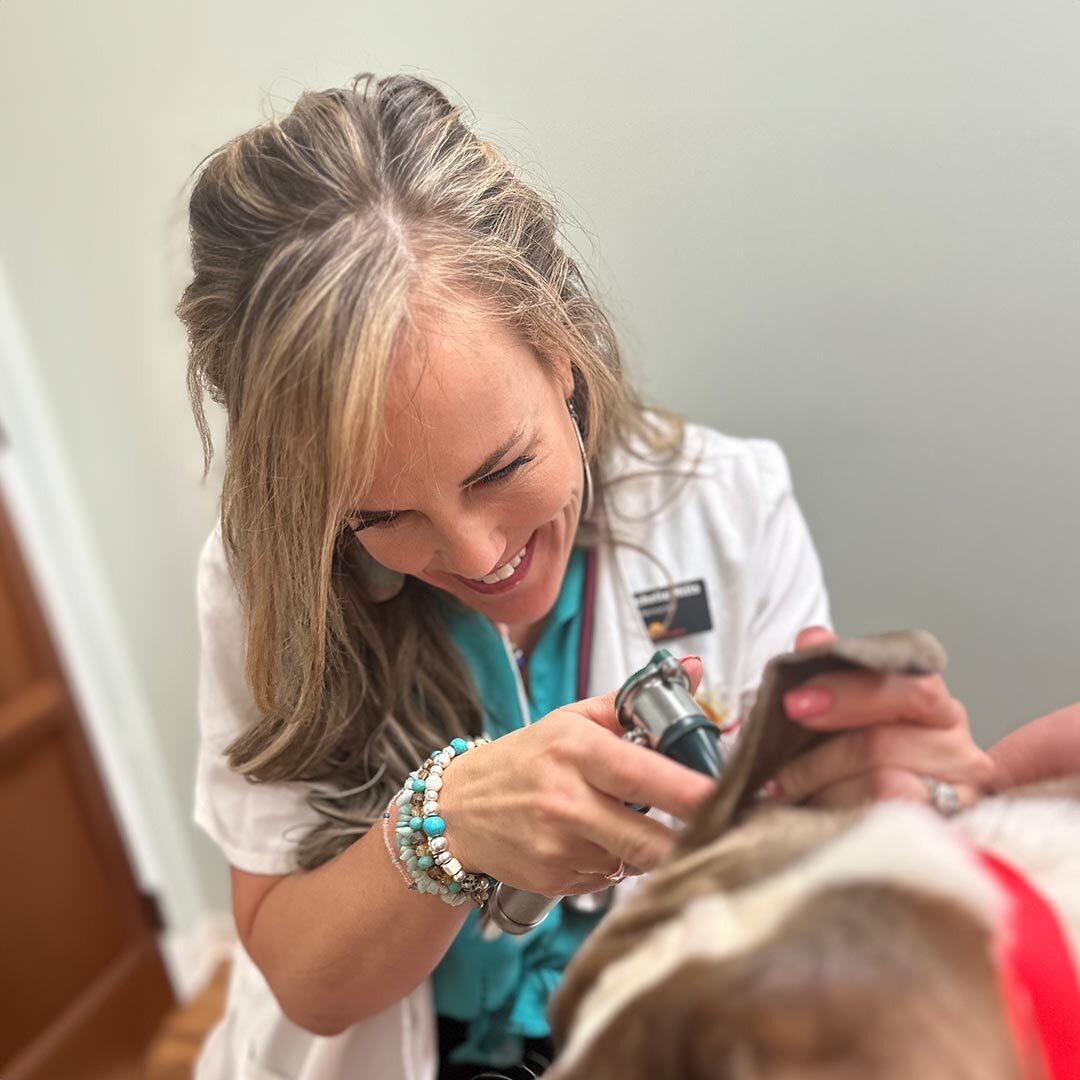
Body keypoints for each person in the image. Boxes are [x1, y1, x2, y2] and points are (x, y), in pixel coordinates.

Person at [178, 73, 1052, 1080]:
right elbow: (307, 982)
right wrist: (445, 828)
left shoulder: (730, 504)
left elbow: (784, 892)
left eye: (501, 469)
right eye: (379, 516)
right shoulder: (262, 585)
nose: (475, 556)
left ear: (562, 352)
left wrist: (887, 817)